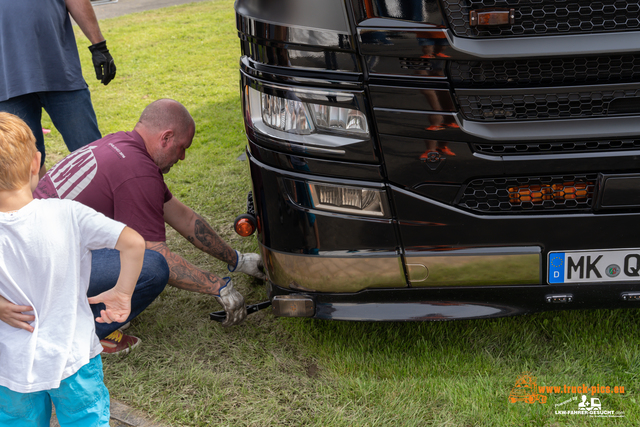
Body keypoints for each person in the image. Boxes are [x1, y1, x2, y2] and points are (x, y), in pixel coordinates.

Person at [27, 98, 264, 341]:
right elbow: (158, 256)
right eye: (182, 147)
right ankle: (80, 331)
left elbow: (182, 217)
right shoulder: (138, 172)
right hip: (37, 271)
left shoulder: (122, 144)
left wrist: (237, 259)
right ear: (166, 138)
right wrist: (218, 286)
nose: (182, 157)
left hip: (28, 254)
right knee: (151, 268)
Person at [0, 112, 145, 426]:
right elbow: (133, 243)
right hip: (73, 358)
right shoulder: (68, 214)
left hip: (11, 368)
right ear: (35, 164)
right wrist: (122, 293)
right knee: (85, 419)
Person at [0, 0, 117, 176]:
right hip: (7, 82)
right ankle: (38, 202)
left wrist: (99, 46)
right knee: (24, 165)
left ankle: (108, 201)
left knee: (90, 152)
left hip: (59, 72)